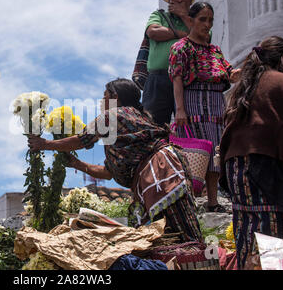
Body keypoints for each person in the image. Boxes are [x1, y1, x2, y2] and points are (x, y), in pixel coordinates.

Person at [28, 78, 203, 243]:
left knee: (172, 229)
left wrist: (45, 144)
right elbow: (107, 173)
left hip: (161, 171)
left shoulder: (113, 115)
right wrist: (77, 164)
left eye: (104, 96)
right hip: (165, 168)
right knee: (175, 229)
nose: (101, 101)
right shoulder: (133, 120)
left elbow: (83, 139)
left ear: (115, 97)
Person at [219, 36, 283, 269]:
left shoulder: (243, 88)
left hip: (235, 167)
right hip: (265, 164)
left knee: (248, 232)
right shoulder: (282, 82)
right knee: (274, 234)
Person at [168, 1, 240, 211]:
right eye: (202, 19)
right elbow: (177, 78)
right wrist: (180, 109)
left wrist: (236, 74)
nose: (207, 24)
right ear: (190, 20)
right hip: (193, 103)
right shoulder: (180, 47)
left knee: (215, 150)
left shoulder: (215, 51)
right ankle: (189, 200)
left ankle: (213, 201)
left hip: (216, 103)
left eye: (210, 20)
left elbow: (227, 73)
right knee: (196, 151)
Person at [142, 0, 197, 126]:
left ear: (191, 0)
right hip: (157, 79)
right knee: (153, 125)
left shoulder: (197, 21)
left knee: (188, 124)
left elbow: (201, 39)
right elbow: (153, 32)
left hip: (188, 80)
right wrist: (182, 34)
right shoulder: (159, 15)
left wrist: (185, 16)